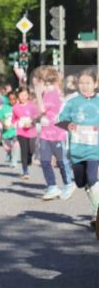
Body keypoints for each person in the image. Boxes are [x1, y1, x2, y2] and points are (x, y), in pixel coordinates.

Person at [58, 69, 99, 231]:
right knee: (82, 182)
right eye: (81, 83)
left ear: (95, 84)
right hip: (76, 150)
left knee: (92, 177)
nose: (84, 86)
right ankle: (95, 203)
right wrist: (70, 125)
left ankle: (96, 212)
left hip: (94, 149)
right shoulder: (72, 102)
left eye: (88, 83)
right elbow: (60, 120)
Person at [33, 66, 76, 200]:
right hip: (46, 133)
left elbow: (42, 109)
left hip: (57, 133)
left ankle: (69, 183)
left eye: (38, 79)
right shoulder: (48, 92)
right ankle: (52, 186)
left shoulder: (54, 92)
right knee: (45, 161)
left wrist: (38, 93)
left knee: (62, 161)